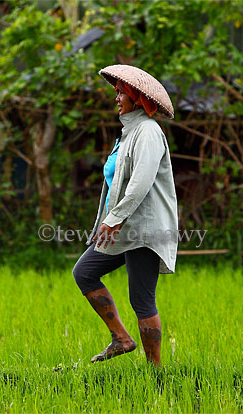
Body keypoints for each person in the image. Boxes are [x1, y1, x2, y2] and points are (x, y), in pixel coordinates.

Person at [72, 64, 179, 365]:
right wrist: (107, 221)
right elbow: (115, 184)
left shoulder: (148, 132)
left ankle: (155, 372)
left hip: (144, 230)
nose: (116, 97)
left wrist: (115, 218)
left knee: (141, 299)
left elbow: (140, 182)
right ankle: (121, 338)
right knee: (85, 272)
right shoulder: (128, 133)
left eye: (121, 92)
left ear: (136, 97)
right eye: (116, 91)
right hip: (123, 227)